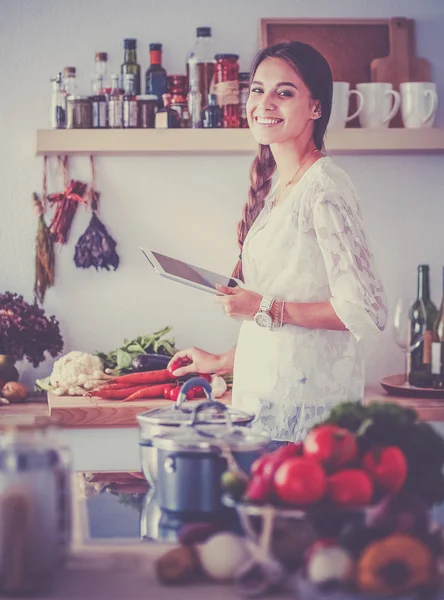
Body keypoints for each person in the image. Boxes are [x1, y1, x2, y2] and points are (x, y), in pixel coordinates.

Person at [168, 41, 387, 445]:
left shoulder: (324, 188)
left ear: (316, 108)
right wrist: (221, 361)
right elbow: (285, 326)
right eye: (257, 89)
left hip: (309, 420)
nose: (264, 102)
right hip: (266, 404)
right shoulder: (281, 187)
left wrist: (262, 307)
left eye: (284, 92)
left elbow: (363, 310)